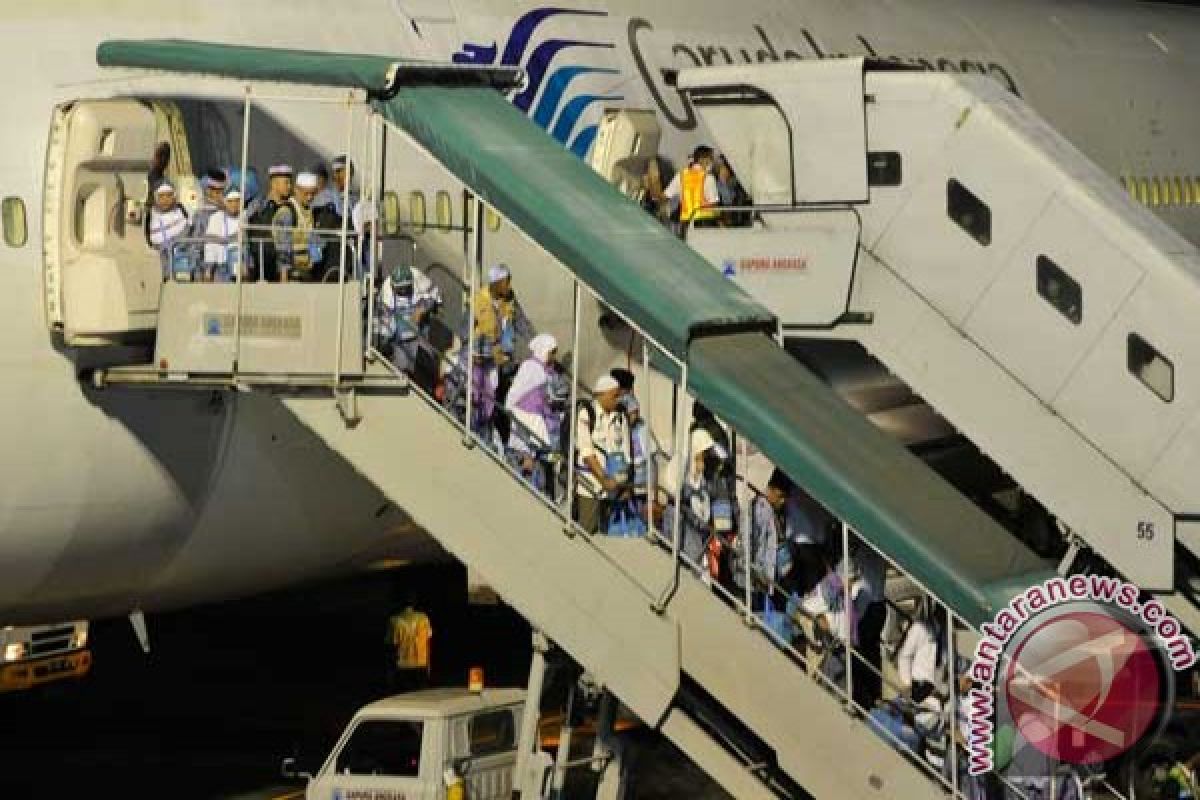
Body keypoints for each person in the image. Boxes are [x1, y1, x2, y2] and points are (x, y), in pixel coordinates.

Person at [506, 333, 565, 495]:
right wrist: (527, 453)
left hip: (544, 440)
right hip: (527, 447)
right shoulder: (531, 368)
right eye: (552, 352)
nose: (554, 356)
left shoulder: (548, 371)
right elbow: (518, 409)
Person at [574, 374, 633, 534]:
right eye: (614, 396)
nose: (617, 399)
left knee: (609, 532)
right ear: (601, 394)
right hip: (592, 484)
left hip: (615, 485)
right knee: (587, 530)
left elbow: (627, 454)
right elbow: (587, 453)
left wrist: (624, 484)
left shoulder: (621, 417)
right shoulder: (587, 414)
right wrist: (603, 479)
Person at [376, 263, 441, 383]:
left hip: (420, 328)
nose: (403, 291)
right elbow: (384, 323)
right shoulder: (386, 293)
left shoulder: (418, 277)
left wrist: (422, 309)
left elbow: (435, 296)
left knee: (427, 361)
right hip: (399, 334)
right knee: (402, 367)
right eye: (399, 289)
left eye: (406, 287)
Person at [610, 368, 658, 531]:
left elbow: (633, 415)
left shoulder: (627, 400)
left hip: (635, 455)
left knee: (635, 494)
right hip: (632, 455)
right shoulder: (623, 399)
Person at [271, 171, 322, 282]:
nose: (309, 197)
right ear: (296, 190)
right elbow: (282, 246)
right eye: (306, 193)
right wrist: (284, 277)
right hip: (292, 274)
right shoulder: (287, 212)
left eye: (313, 194)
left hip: (308, 270)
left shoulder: (309, 210)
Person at [250, 164, 294, 281]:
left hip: (278, 270)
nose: (289, 187)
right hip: (257, 264)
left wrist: (283, 274)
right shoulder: (257, 205)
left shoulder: (289, 208)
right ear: (274, 183)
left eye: (290, 183)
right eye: (286, 183)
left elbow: (285, 243)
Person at [663, 145, 720, 235]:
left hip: (686, 224)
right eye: (711, 158)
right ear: (702, 159)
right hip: (705, 224)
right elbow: (713, 204)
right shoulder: (708, 178)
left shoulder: (680, 175)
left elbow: (665, 196)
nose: (712, 162)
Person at [202, 189, 252, 282]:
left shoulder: (245, 216)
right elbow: (210, 245)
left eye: (237, 201)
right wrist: (208, 271)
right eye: (230, 201)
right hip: (220, 267)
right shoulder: (215, 218)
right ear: (225, 202)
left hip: (239, 266)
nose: (234, 204)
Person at [146, 182, 190, 281]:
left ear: (174, 197)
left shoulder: (180, 211)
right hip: (159, 257)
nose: (165, 199)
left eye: (169, 195)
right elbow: (150, 238)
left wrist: (174, 243)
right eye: (161, 196)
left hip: (180, 256)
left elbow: (187, 230)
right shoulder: (151, 214)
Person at [386, 601, 433, 693]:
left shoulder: (394, 621)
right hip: (421, 664)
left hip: (402, 666)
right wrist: (429, 664)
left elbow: (391, 648)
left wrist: (390, 672)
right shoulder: (423, 618)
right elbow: (428, 643)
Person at [330, 154, 359, 219]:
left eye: (339, 171)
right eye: (333, 172)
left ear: (350, 172)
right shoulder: (327, 196)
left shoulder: (359, 196)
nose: (335, 176)